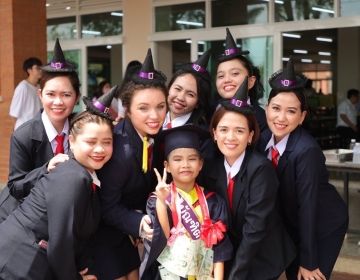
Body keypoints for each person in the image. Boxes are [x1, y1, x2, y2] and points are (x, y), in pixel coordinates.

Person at [0, 91, 115, 279]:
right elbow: (60, 245)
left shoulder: (87, 176)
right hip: (18, 265)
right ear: (71, 141)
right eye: (91, 142)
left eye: (107, 142)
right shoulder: (72, 176)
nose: (100, 149)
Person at [258, 58, 348, 280]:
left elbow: (308, 205)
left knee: (305, 275)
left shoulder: (306, 150)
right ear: (266, 108)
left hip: (321, 224)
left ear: (302, 117)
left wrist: (309, 261)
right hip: (291, 223)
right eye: (276, 108)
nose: (281, 118)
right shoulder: (262, 139)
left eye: (291, 111)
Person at [200, 78, 295, 279]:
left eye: (240, 131)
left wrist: (235, 275)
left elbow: (255, 229)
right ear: (214, 133)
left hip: (262, 255)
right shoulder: (211, 167)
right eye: (224, 130)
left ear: (251, 136)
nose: (231, 137)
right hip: (231, 252)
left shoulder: (261, 169)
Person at [92, 48, 168, 280]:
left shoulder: (155, 136)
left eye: (161, 106)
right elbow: (106, 206)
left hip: (127, 234)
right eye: (144, 108)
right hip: (103, 235)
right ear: (127, 108)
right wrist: (138, 222)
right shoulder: (119, 150)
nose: (154, 115)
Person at [0, 39, 81, 222]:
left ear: (76, 98)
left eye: (66, 95)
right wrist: (46, 169)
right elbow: (15, 186)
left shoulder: (82, 129)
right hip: (27, 219)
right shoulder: (23, 136)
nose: (58, 102)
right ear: (40, 95)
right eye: (51, 94)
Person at [140, 124, 233, 280]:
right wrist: (162, 202)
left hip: (204, 274)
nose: (185, 165)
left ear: (200, 165)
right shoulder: (157, 200)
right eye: (177, 159)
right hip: (169, 274)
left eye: (192, 159)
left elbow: (220, 250)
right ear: (167, 166)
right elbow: (160, 238)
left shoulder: (214, 201)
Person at [215, 28, 267, 132]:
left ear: (251, 81)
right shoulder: (209, 111)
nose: (227, 80)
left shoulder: (261, 118)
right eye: (221, 76)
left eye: (234, 73)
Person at [163, 49, 211, 130]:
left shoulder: (201, 136)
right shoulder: (153, 122)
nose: (180, 98)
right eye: (178, 89)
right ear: (169, 88)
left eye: (190, 94)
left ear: (198, 103)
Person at [9, 57, 43, 130]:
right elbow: (13, 114)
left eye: (41, 68)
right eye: (37, 68)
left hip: (36, 129)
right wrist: (17, 133)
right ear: (29, 70)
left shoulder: (38, 87)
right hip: (24, 131)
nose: (40, 70)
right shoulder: (23, 87)